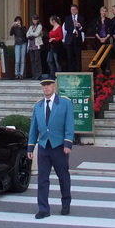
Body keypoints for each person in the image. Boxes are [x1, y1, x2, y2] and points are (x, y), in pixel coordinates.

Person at [27, 77, 74, 218]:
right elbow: (34, 128)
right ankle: (43, 208)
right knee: (42, 178)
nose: (46, 87)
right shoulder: (38, 106)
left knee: (63, 176)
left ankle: (66, 204)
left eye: (48, 85)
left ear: (54, 86)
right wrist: (30, 147)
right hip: (43, 146)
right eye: (43, 85)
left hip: (59, 146)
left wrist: (68, 143)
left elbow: (69, 123)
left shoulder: (65, 103)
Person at [62, 4, 84, 73]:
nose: (73, 11)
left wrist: (80, 26)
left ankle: (78, 72)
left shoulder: (81, 18)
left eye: (75, 9)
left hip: (77, 40)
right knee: (70, 57)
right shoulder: (67, 18)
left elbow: (84, 28)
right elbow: (66, 27)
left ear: (77, 10)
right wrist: (73, 30)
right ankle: (70, 72)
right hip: (70, 40)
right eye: (72, 9)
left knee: (78, 57)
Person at [94, 6, 112, 72]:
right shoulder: (96, 20)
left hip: (106, 40)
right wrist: (100, 39)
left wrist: (105, 38)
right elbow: (95, 31)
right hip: (98, 40)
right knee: (99, 56)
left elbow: (110, 31)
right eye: (103, 11)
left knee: (106, 56)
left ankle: (106, 71)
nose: (104, 12)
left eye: (105, 11)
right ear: (100, 11)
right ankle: (100, 71)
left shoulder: (108, 20)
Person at [26, 15, 44, 79]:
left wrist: (31, 34)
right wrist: (31, 34)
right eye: (33, 19)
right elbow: (27, 34)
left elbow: (37, 34)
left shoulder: (39, 26)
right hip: (31, 45)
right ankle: (34, 74)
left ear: (38, 20)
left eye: (35, 19)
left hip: (37, 45)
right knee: (32, 60)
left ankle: (39, 74)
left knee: (37, 60)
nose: (34, 21)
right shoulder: (31, 27)